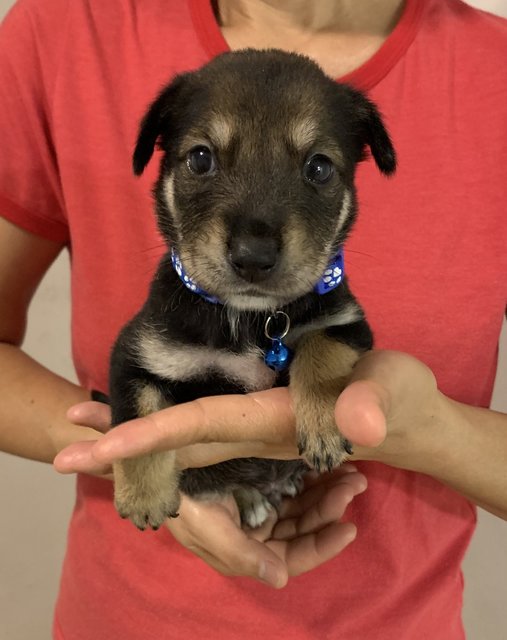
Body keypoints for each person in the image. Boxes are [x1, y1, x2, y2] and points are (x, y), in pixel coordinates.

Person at [0, 0, 506, 638]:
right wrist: (125, 449)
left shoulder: (495, 73)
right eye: (203, 160)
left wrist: (429, 431)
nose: (253, 246)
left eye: (318, 169)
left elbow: (343, 342)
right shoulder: (65, 27)